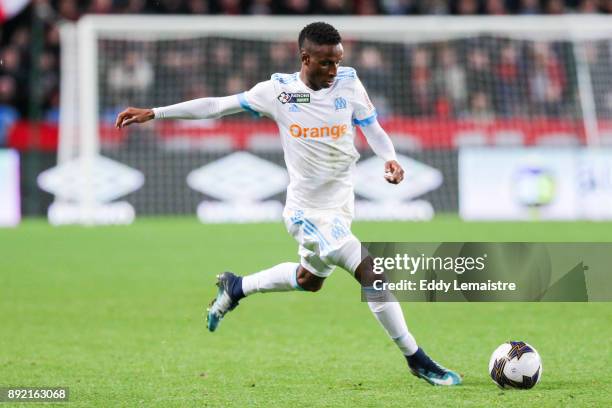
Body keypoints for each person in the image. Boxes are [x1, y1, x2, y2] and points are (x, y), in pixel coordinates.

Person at [115, 21, 461, 386]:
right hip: (306, 213)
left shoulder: (349, 82)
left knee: (308, 280)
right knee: (372, 273)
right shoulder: (278, 92)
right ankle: (416, 358)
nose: (333, 70)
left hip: (341, 205)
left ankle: (236, 287)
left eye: (338, 61)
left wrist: (389, 157)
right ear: (305, 58)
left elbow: (370, 125)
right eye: (326, 63)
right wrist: (157, 112)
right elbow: (217, 106)